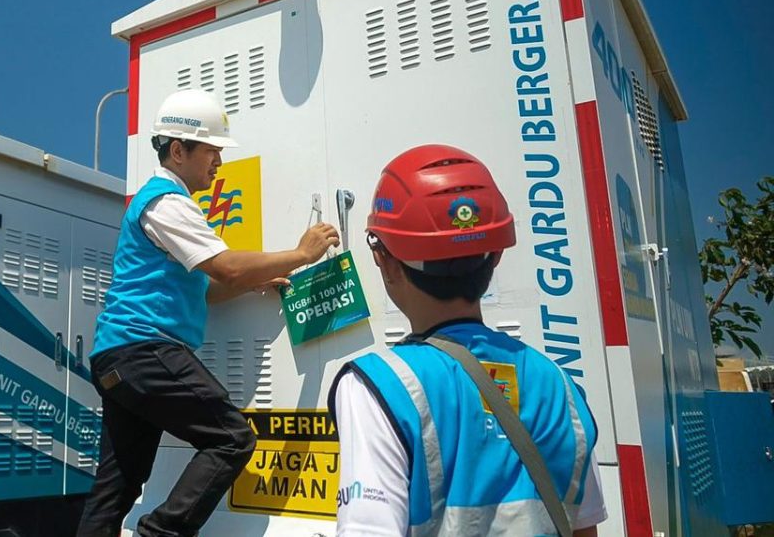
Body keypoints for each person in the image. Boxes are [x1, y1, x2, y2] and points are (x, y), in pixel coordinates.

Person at [77, 89, 340, 537]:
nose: (218, 162)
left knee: (118, 484)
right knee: (231, 438)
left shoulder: (166, 205)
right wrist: (300, 253)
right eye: (211, 151)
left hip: (117, 358)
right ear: (178, 151)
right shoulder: (167, 203)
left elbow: (208, 287)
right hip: (143, 350)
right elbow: (227, 265)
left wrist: (253, 282)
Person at [329, 144, 607, 536]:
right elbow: (583, 529)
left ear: (385, 260)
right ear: (495, 256)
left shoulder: (379, 386)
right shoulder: (559, 385)